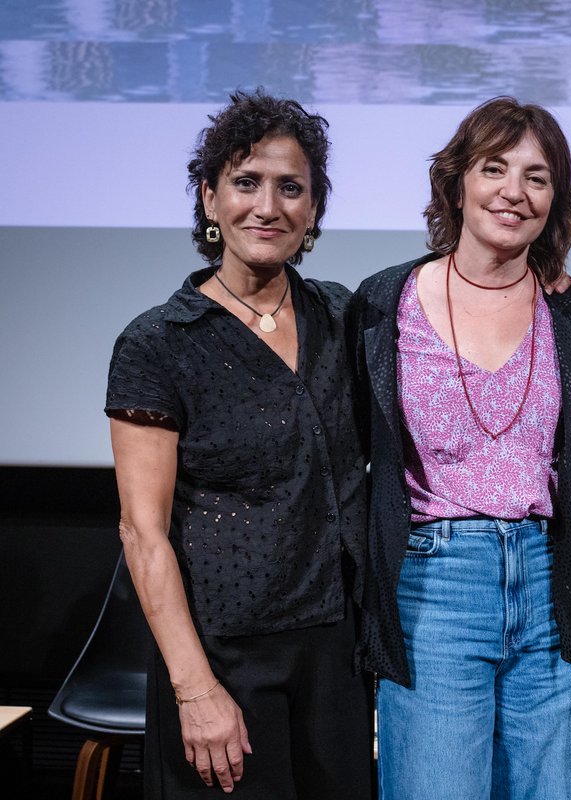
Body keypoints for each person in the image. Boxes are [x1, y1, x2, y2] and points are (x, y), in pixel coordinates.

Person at [105, 91, 372, 797]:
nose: (268, 205)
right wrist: (195, 690)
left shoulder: (345, 316)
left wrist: (542, 281)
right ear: (210, 198)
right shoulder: (159, 343)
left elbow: (453, 302)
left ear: (313, 210)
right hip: (224, 659)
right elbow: (142, 532)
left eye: (292, 188)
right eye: (246, 182)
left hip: (336, 652)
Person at [348, 96, 571, 800]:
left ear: (555, 200)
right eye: (495, 168)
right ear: (457, 181)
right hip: (434, 587)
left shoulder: (570, 313)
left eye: (538, 176)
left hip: (548, 585)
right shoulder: (382, 303)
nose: (514, 192)